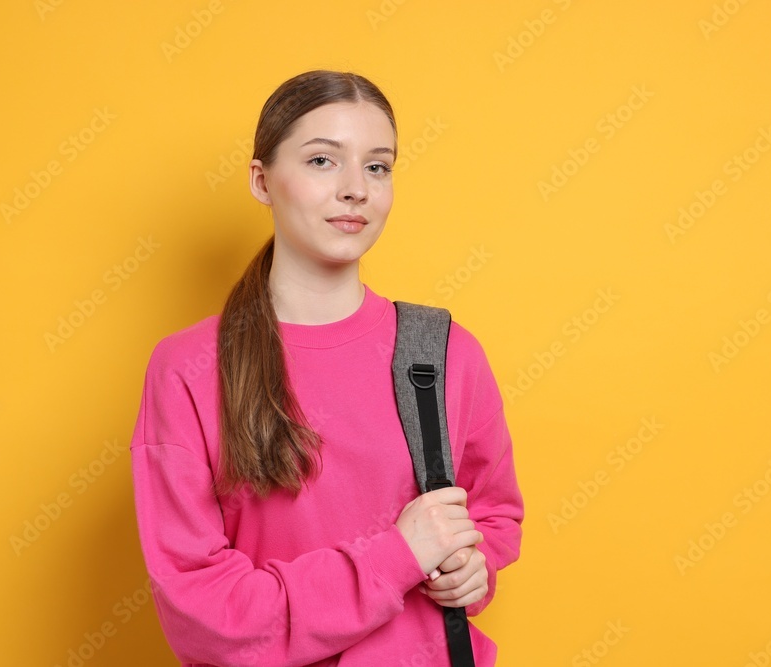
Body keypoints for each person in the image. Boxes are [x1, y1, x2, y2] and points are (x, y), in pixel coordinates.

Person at [129, 69, 524, 667]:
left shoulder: (441, 352)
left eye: (377, 166)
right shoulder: (187, 368)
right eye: (322, 161)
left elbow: (491, 516)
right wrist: (397, 557)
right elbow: (202, 613)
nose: (356, 189)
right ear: (261, 181)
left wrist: (474, 569)